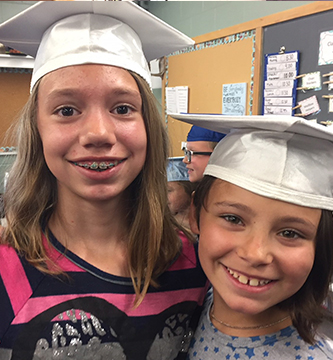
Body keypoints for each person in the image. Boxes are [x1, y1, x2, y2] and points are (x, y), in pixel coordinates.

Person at [0, 3, 208, 358]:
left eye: (122, 108)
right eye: (66, 110)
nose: (98, 133)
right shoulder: (7, 270)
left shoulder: (195, 266)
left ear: (147, 126)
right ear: (37, 129)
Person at [170, 113, 333, 360]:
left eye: (290, 233)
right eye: (233, 218)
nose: (255, 253)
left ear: (318, 246)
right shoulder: (198, 301)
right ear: (195, 215)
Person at [167, 157, 197, 233]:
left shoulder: (206, 223)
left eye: (168, 191)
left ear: (190, 189)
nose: (163, 196)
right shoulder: (165, 230)